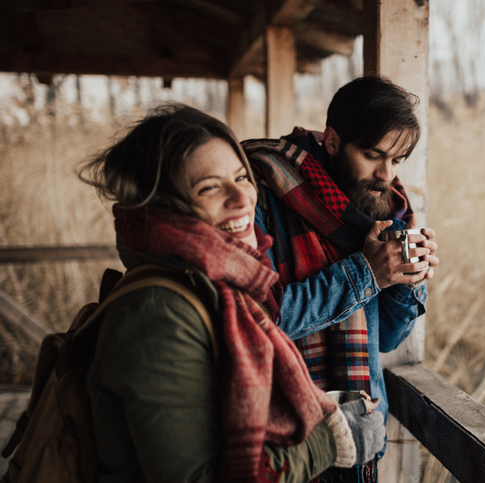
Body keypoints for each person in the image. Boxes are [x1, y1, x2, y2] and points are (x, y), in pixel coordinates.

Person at [78, 104, 386, 483]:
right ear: (161, 206)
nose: (242, 199)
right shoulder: (158, 313)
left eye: (241, 177)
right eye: (209, 187)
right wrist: (332, 442)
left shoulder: (227, 285)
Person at [243, 75, 439, 482]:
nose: (386, 174)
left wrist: (406, 279)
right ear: (332, 142)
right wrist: (366, 273)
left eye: (397, 160)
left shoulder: (388, 212)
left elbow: (384, 338)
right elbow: (257, 323)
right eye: (372, 155)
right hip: (286, 441)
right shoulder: (261, 189)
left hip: (361, 431)